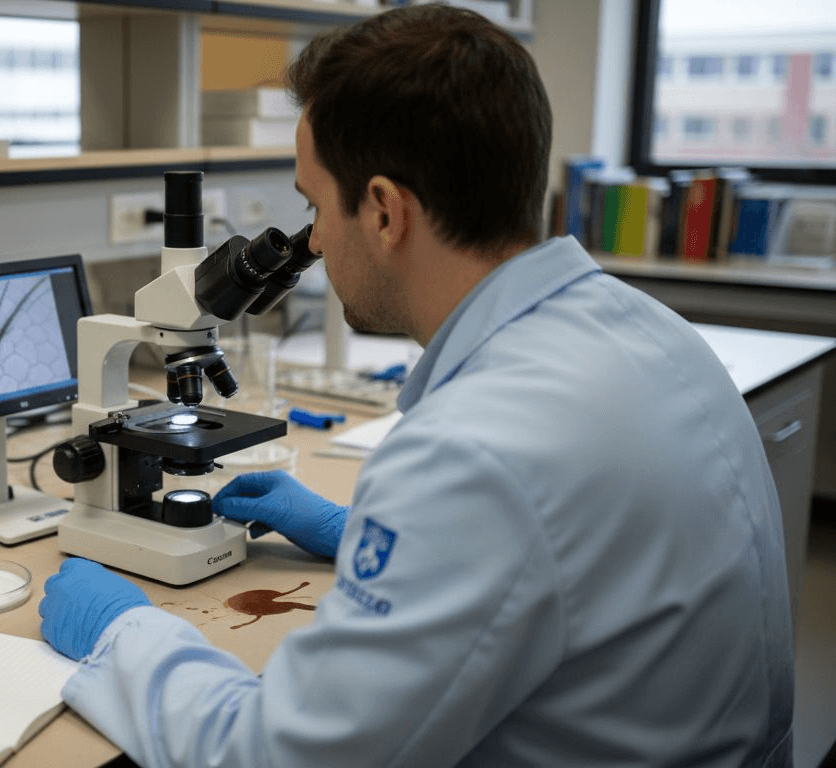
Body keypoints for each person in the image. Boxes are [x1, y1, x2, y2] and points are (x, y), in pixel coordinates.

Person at [39, 5, 795, 766]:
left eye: (315, 207)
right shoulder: (649, 328)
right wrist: (365, 538)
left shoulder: (473, 453)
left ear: (385, 211)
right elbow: (568, 556)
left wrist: (123, 635)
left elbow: (275, 756)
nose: (315, 242)